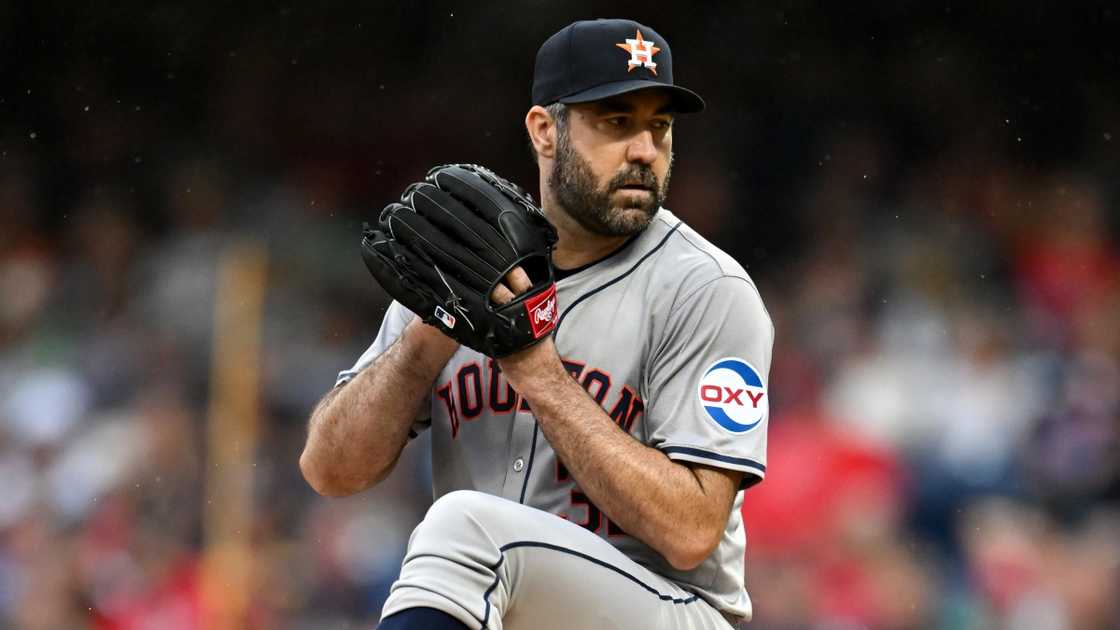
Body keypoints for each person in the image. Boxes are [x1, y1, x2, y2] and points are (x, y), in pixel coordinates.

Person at [300, 18, 773, 629]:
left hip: (674, 609)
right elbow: (330, 470)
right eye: (616, 122)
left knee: (465, 528)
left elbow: (690, 532)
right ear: (545, 131)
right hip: (507, 609)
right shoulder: (465, 264)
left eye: (660, 127)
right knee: (466, 542)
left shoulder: (705, 289)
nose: (644, 151)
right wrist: (427, 337)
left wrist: (536, 371)